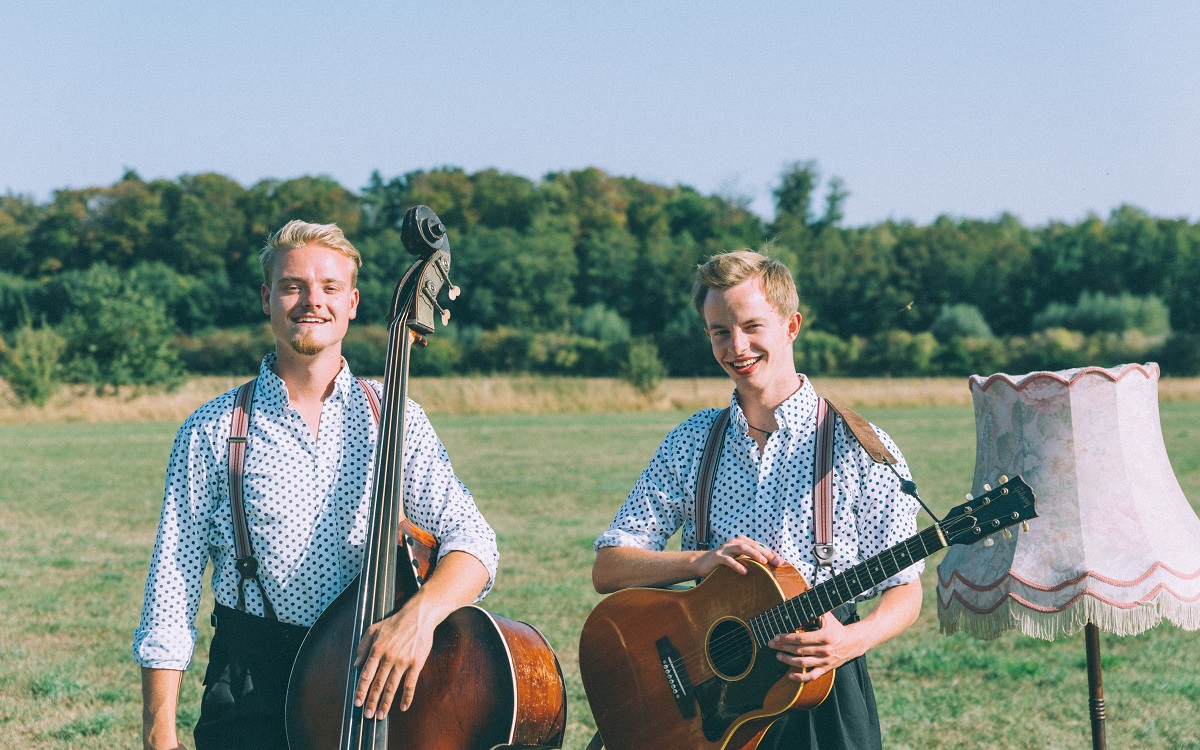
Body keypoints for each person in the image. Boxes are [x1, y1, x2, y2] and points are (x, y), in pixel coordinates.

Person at [134, 221, 497, 750]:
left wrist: (419, 617)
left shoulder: (395, 417)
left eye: (329, 288)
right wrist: (157, 733)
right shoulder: (211, 428)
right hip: (252, 685)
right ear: (267, 298)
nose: (312, 301)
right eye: (292, 286)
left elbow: (476, 544)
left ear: (351, 302)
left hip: (374, 675)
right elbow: (172, 587)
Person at [591, 250, 923, 750]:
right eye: (719, 331)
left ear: (792, 325)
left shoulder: (860, 447)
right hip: (697, 698)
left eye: (752, 326)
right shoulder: (692, 441)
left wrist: (849, 641)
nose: (736, 346)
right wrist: (700, 560)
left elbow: (905, 590)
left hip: (814, 690)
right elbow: (610, 567)